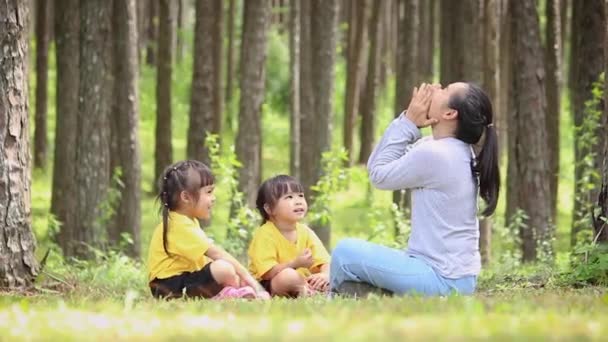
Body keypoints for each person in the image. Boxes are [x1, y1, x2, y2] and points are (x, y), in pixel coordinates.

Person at [330, 82, 500, 296]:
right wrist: (408, 125)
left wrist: (408, 121)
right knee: (354, 260)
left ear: (449, 113)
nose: (436, 87)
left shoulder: (436, 153)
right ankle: (362, 295)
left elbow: (377, 173)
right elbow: (390, 158)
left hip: (441, 279)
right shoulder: (453, 149)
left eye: (445, 89)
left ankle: (334, 297)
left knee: (344, 253)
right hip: (456, 278)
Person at [147, 160, 269, 300]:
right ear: (186, 197)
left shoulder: (187, 221)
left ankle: (228, 292)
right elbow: (217, 254)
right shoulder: (178, 224)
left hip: (182, 281)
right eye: (209, 192)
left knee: (227, 271)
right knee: (224, 268)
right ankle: (229, 293)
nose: (213, 198)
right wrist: (253, 282)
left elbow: (204, 264)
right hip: (167, 287)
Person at [248, 175, 331, 297]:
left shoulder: (305, 232)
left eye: (301, 196)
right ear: (270, 209)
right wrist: (295, 263)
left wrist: (324, 275)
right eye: (289, 197)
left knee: (334, 271)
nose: (298, 201)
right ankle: (311, 291)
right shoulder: (264, 234)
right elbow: (267, 273)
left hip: (302, 280)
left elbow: (324, 261)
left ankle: (312, 289)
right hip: (270, 283)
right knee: (288, 276)